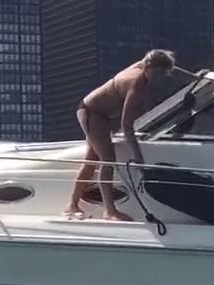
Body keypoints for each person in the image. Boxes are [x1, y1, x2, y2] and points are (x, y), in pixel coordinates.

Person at [64, 49, 176, 220]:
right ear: (148, 68)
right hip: (92, 112)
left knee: (92, 160)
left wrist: (195, 77)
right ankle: (109, 210)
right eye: (158, 73)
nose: (160, 77)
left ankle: (72, 205)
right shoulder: (136, 86)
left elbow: (169, 66)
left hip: (103, 116)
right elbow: (126, 125)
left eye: (164, 74)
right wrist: (138, 156)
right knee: (107, 159)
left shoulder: (143, 63)